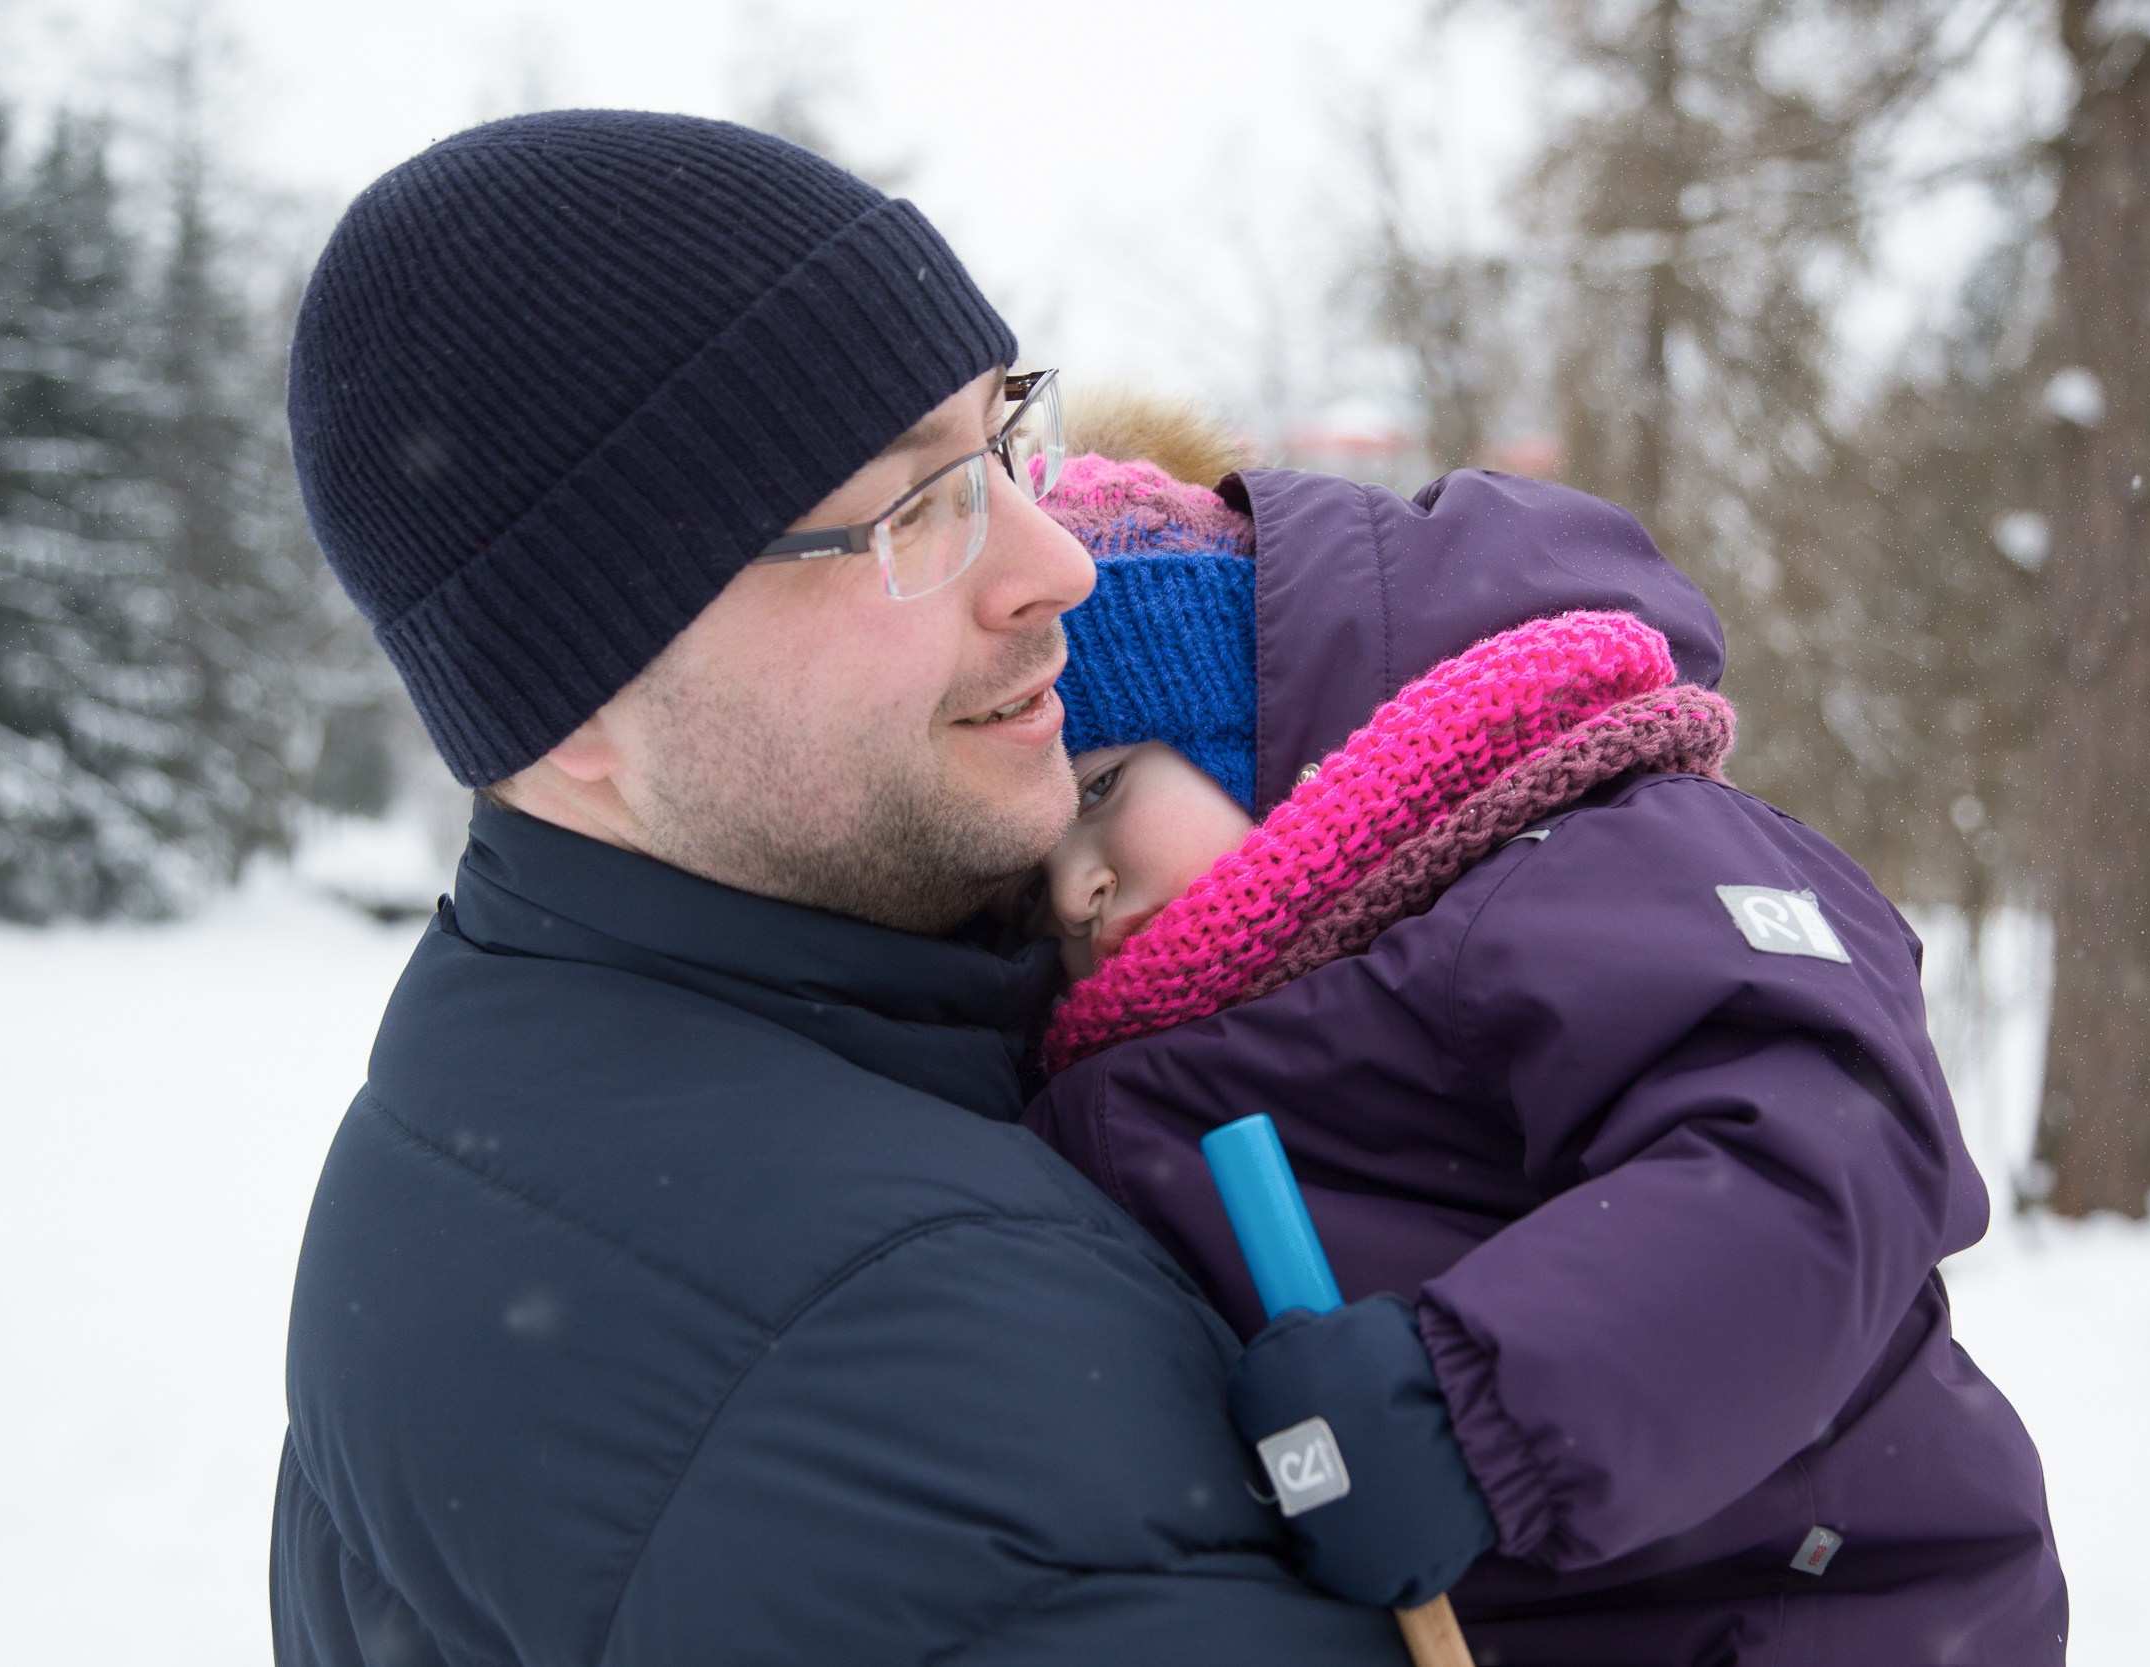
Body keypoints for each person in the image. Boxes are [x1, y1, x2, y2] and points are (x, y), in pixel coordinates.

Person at [270, 112, 1411, 1666]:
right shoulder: (912, 1354)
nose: (1058, 562)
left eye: (1002, 441)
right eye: (908, 509)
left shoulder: (493, 1075)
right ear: (580, 703)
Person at [1020, 447, 2070, 1663]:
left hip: (1808, 1598)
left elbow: (1807, 1159)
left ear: (1252, 734)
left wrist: (1478, 1410)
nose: (1073, 886)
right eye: (1029, 864)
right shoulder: (1135, 1046)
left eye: (1101, 787)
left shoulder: (1575, 862)